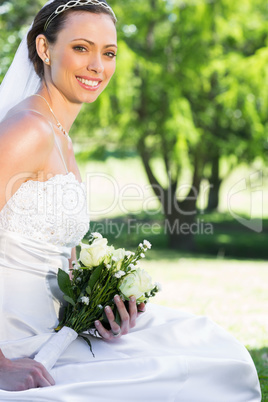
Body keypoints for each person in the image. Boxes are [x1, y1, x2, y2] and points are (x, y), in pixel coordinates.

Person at [0, 1, 261, 400]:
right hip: (17, 339)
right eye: (81, 48)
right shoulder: (27, 130)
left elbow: (48, 257)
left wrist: (100, 305)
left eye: (109, 53)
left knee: (217, 355)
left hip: (57, 328)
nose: (97, 66)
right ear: (44, 48)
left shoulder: (61, 138)